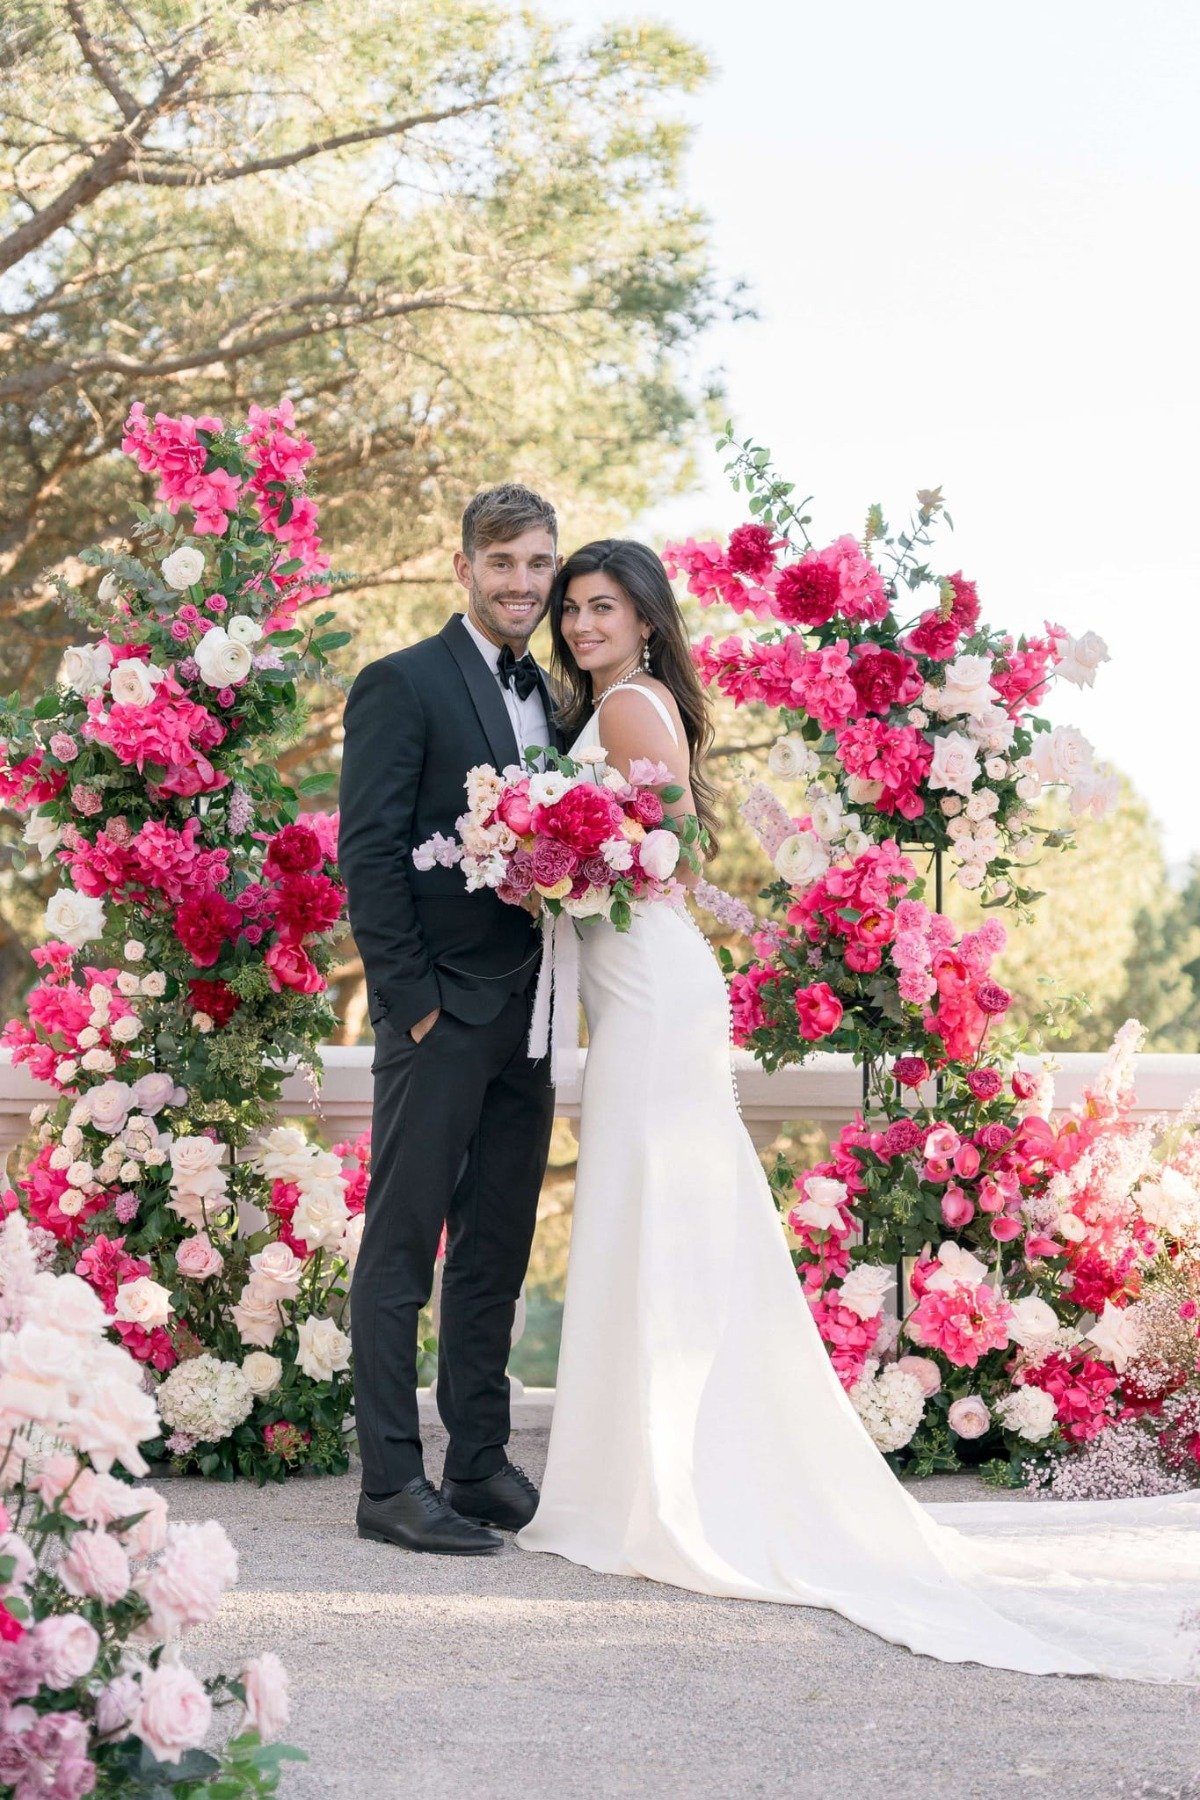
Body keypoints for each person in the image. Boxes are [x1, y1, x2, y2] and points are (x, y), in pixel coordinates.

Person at [515, 537, 1200, 1682]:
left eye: (602, 607)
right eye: (573, 609)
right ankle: (650, 1467)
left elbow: (668, 854)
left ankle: (664, 1484)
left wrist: (559, 855)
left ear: (644, 622)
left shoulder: (628, 705)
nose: (582, 625)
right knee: (657, 1206)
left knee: (661, 1203)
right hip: (642, 987)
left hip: (655, 986)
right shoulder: (618, 704)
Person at [339, 483, 563, 1555]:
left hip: (531, 1013)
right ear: (464, 568)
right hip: (441, 1014)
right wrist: (413, 1006)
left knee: (497, 1247)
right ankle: (391, 1482)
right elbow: (369, 853)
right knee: (402, 1251)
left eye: (538, 565)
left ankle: (477, 1462)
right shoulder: (403, 683)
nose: (522, 584)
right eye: (504, 563)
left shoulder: (556, 703)